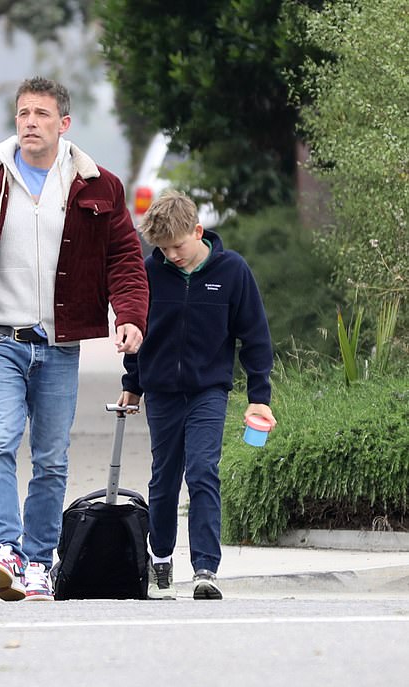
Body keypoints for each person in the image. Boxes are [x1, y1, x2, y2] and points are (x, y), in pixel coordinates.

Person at [0, 77, 148, 602]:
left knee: (51, 458)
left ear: (64, 123)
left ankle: (40, 562)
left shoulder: (96, 184)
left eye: (41, 114)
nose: (30, 123)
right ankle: (4, 551)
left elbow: (126, 260)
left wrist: (130, 315)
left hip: (59, 345)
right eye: (23, 113)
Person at [117, 190, 276, 601]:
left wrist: (259, 396)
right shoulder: (149, 273)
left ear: (198, 231)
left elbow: (255, 337)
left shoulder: (233, 270)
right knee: (164, 479)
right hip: (162, 393)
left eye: (178, 246)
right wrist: (132, 385)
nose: (171, 255)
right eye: (163, 249)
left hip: (209, 390)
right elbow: (137, 333)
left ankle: (206, 568)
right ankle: (162, 556)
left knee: (203, 470)